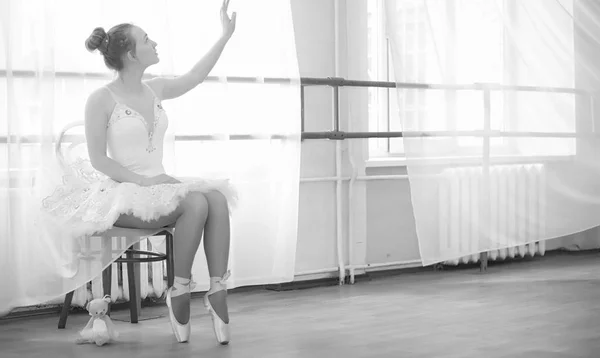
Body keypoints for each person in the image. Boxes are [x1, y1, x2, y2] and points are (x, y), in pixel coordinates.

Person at [46, 0, 237, 344]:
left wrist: (224, 36)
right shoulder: (100, 99)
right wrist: (146, 181)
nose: (155, 44)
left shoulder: (157, 88)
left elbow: (195, 76)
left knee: (216, 199)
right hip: (126, 191)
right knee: (196, 203)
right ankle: (179, 290)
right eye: (147, 40)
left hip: (159, 186)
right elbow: (99, 160)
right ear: (132, 55)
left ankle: (218, 289)